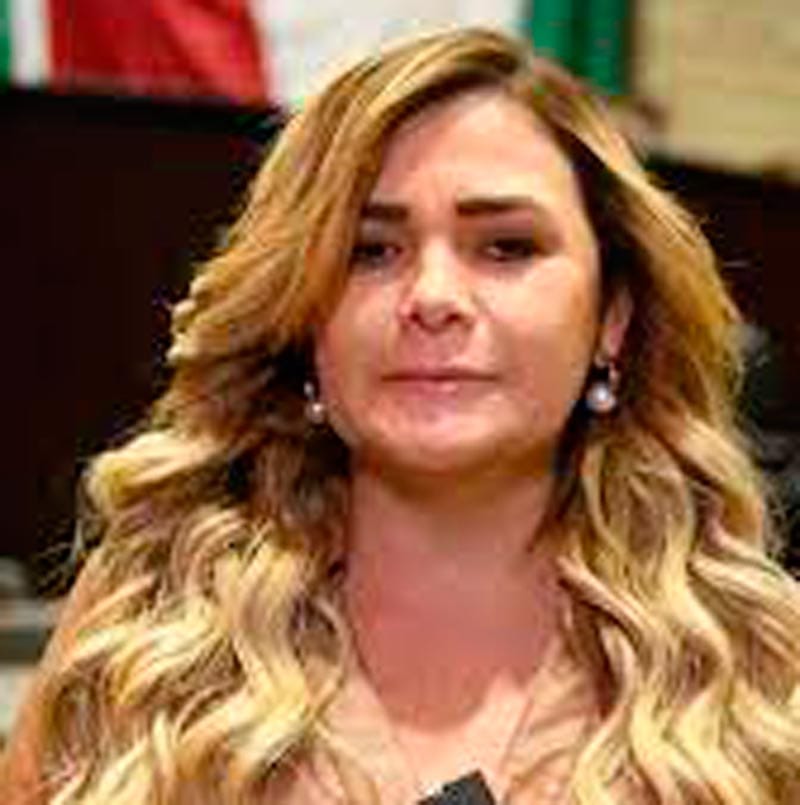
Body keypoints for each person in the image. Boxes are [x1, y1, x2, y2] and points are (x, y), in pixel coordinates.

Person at [2, 27, 799, 804]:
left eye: (506, 247)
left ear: (611, 316)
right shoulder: (147, 618)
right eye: (370, 251)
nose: (434, 297)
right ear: (302, 313)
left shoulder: (757, 657)